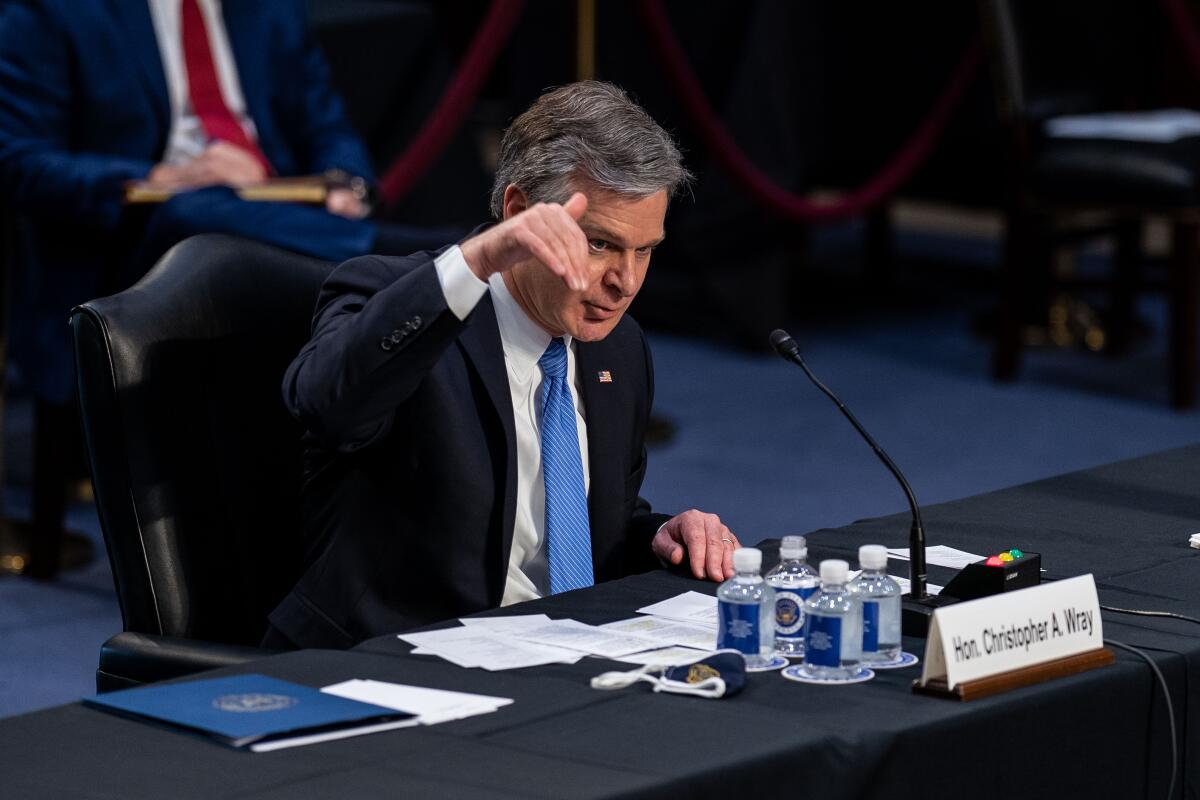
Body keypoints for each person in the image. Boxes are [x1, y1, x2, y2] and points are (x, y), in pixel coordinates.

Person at [267, 81, 741, 649]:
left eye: (645, 251)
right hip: (398, 667)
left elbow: (581, 524)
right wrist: (480, 257)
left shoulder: (618, 345)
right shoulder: (392, 296)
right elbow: (326, 404)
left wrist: (660, 536)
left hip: (560, 658)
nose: (627, 282)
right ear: (518, 213)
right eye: (600, 245)